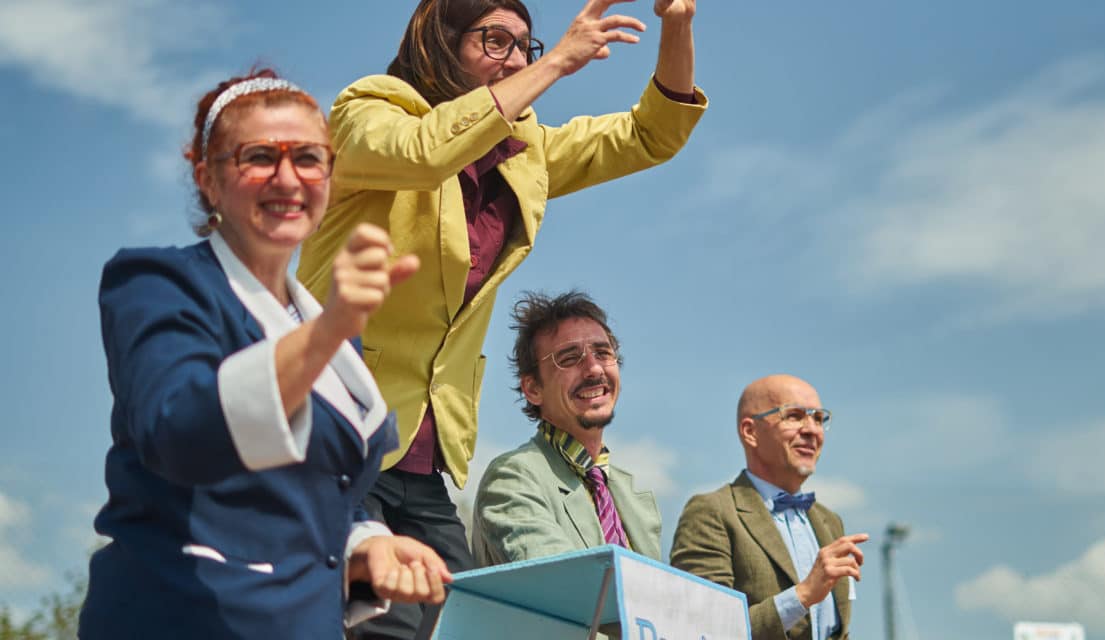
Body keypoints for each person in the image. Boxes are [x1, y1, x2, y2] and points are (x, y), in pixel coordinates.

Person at [295, 0, 704, 636]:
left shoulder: (523, 150)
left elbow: (649, 135)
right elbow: (425, 151)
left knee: (468, 623)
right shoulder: (366, 110)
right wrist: (563, 60)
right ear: (441, 42)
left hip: (426, 453)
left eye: (526, 47)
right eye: (495, 41)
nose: (516, 59)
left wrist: (677, 25)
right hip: (337, 427)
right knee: (372, 624)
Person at [79, 69, 453, 639]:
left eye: (308, 157)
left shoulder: (326, 331)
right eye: (259, 156)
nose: (288, 177)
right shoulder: (159, 282)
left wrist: (368, 546)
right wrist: (329, 329)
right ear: (208, 179)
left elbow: (319, 496)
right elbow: (177, 431)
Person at [670, 375, 870, 640]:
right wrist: (804, 595)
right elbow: (704, 628)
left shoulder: (829, 521)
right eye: (795, 416)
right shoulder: (711, 512)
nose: (812, 430)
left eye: (818, 418)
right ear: (750, 432)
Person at [471, 291, 661, 566]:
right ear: (533, 389)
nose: (594, 369)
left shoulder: (632, 494)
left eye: (603, 353)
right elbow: (570, 586)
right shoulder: (513, 478)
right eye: (570, 358)